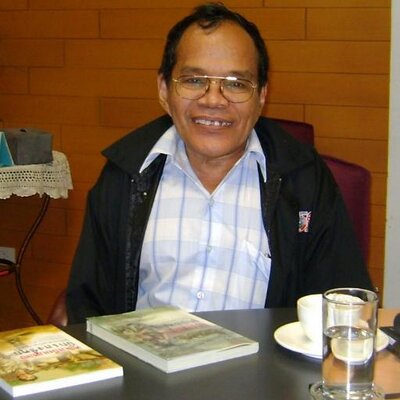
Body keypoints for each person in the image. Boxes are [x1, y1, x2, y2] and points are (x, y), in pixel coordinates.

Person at [66, 2, 373, 324]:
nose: (213, 99)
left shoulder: (305, 181)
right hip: (140, 356)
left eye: (236, 84)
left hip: (266, 358)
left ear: (261, 96)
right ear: (164, 90)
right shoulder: (125, 175)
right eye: (194, 80)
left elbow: (342, 308)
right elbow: (88, 306)